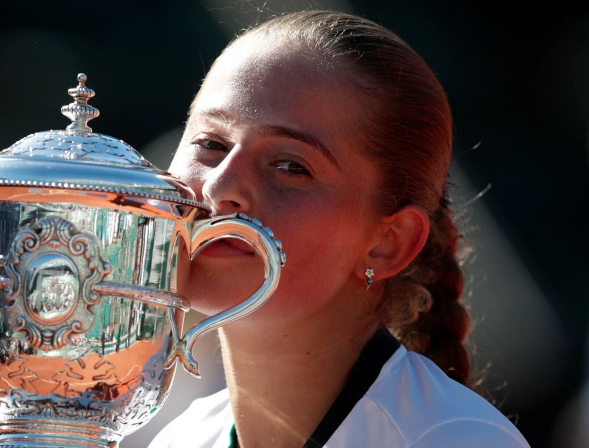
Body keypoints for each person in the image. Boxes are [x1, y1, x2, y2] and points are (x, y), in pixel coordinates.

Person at [148, 10, 530, 448]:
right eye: (211, 143)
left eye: (292, 166)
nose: (220, 188)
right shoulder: (182, 437)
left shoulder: (454, 439)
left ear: (389, 243)